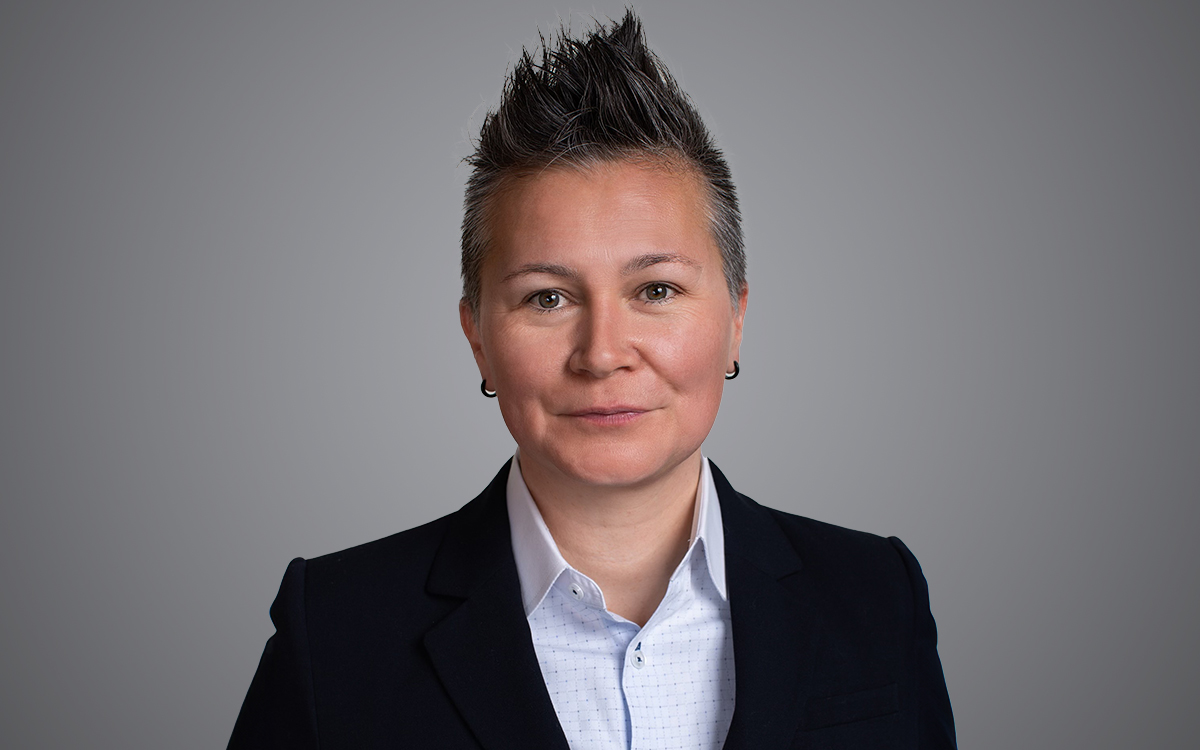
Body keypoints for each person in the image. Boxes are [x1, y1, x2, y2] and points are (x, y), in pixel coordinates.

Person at [228, 10, 956, 750]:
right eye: (548, 297)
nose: (603, 354)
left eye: (657, 291)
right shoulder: (337, 630)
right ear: (477, 334)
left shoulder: (876, 595)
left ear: (736, 317)